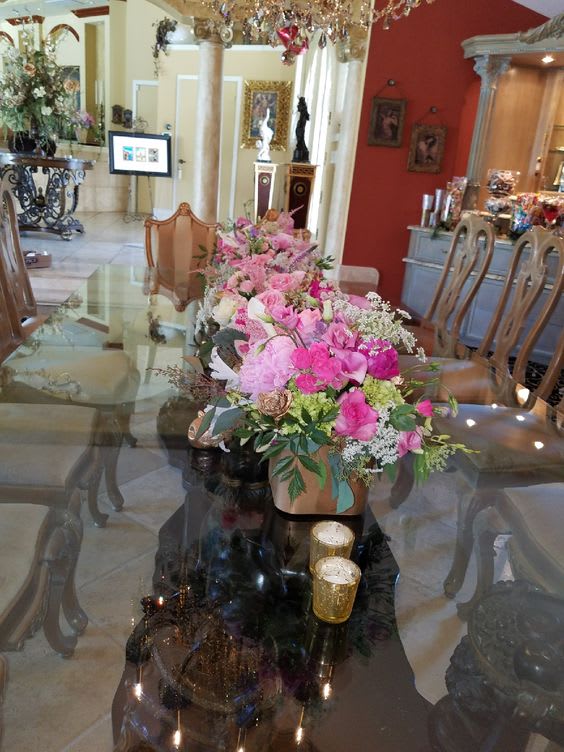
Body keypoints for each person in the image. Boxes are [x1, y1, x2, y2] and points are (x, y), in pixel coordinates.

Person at [293, 96, 310, 163]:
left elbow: (300, 109)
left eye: (299, 104)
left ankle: (301, 147)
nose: (298, 106)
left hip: (301, 126)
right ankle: (300, 146)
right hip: (300, 125)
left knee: (300, 136)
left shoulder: (304, 112)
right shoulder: (303, 111)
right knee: (298, 135)